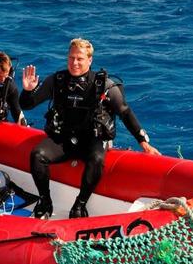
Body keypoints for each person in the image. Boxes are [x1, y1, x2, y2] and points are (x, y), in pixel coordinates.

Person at [20, 38, 160, 219]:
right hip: (63, 138)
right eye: (71, 58)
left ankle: (80, 204)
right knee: (37, 154)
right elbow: (29, 104)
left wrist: (143, 142)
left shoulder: (105, 85)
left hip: (92, 140)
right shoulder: (57, 80)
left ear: (89, 60)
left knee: (96, 159)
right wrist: (27, 90)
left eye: (79, 58)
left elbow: (125, 112)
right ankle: (45, 201)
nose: (74, 63)